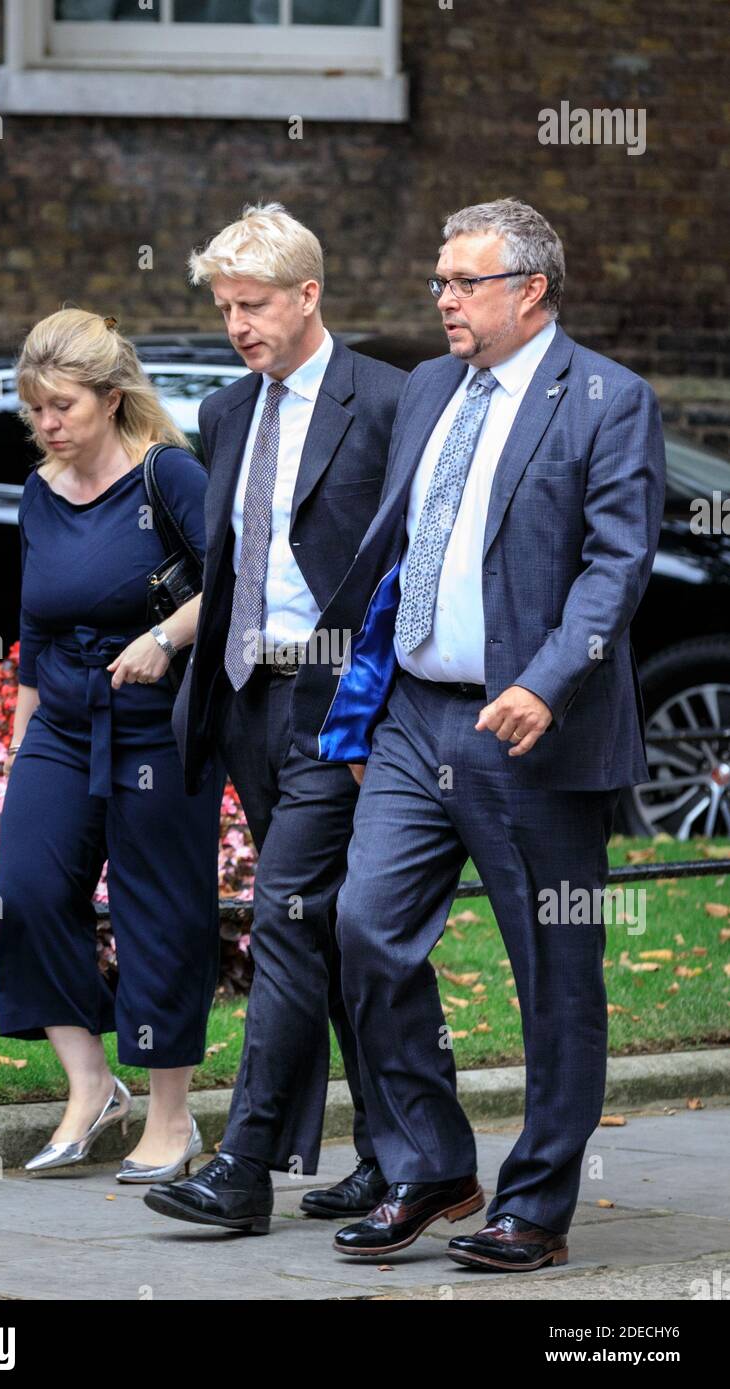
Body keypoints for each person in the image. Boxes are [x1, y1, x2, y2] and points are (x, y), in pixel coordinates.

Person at [290, 198, 667, 1268]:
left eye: (463, 282)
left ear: (529, 290)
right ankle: (429, 1163)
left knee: (552, 970)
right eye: (438, 282)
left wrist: (549, 681)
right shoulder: (426, 390)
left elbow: (615, 565)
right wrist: (357, 696)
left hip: (531, 731)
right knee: (362, 926)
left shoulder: (605, 399)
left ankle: (535, 1205)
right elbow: (403, 551)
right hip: (415, 714)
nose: (442, 300)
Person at [144, 203, 406, 1235]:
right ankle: (395, 1159)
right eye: (222, 307)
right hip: (248, 697)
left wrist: (378, 708)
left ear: (308, 294)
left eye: (252, 304)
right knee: (331, 936)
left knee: (289, 920)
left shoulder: (387, 400)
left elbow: (406, 565)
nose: (237, 324)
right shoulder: (222, 412)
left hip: (337, 704)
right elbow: (231, 561)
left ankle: (243, 1166)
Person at [0, 308, 225, 1181]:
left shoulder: (169, 477)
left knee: (158, 913)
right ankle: (91, 1084)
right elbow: (30, 625)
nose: (49, 424)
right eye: (36, 409)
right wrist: (21, 751)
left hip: (157, 727)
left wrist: (164, 638)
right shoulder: (38, 490)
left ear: (111, 396)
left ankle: (171, 1117)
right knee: (29, 882)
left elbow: (232, 583)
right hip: (61, 722)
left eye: (63, 407)